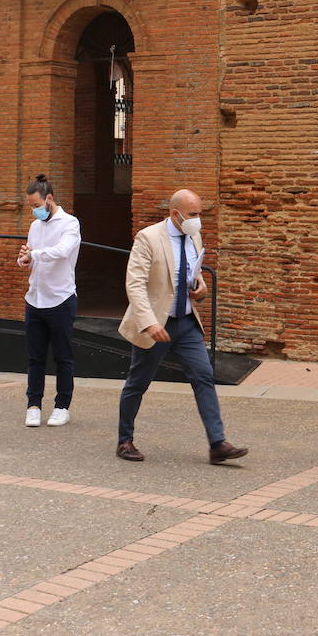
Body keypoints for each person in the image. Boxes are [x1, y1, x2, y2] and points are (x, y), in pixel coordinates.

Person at [115, 189, 247, 464]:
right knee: (138, 383)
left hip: (186, 322)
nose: (198, 220)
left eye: (200, 214)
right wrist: (149, 323)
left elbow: (191, 272)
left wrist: (200, 286)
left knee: (204, 376)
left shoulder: (194, 235)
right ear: (176, 214)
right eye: (194, 215)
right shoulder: (148, 238)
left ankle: (217, 444)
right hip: (156, 324)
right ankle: (125, 440)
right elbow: (135, 284)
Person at [15, 174, 81, 427]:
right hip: (35, 298)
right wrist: (24, 259)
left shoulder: (70, 223)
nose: (33, 210)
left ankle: (62, 406)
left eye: (35, 205)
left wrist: (35, 254)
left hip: (61, 298)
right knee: (35, 357)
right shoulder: (35, 226)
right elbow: (30, 256)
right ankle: (33, 405)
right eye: (31, 206)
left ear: (49, 199)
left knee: (63, 356)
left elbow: (62, 251)